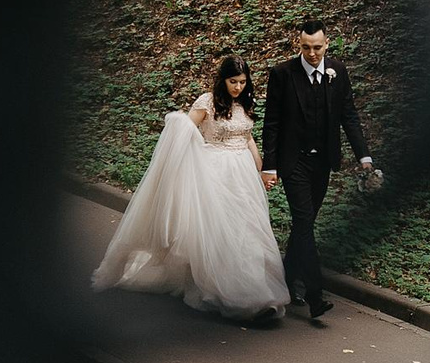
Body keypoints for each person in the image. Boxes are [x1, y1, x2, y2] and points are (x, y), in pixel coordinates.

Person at [92, 55, 288, 324]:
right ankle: (232, 293)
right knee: (221, 230)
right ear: (223, 79)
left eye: (243, 82)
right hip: (214, 173)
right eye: (233, 82)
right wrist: (181, 145)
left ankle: (257, 291)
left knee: (247, 230)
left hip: (243, 175)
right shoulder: (208, 101)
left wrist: (261, 168)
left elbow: (247, 136)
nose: (238, 87)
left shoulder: (245, 101)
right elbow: (186, 128)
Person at [257, 18, 373, 320]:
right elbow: (272, 122)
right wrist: (270, 165)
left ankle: (286, 278)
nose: (312, 53)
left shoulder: (338, 72)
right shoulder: (282, 74)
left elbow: (349, 115)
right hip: (293, 161)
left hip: (323, 161)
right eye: (306, 48)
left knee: (303, 225)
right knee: (305, 219)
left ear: (327, 44)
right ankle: (315, 294)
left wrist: (364, 157)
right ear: (299, 45)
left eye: (317, 48)